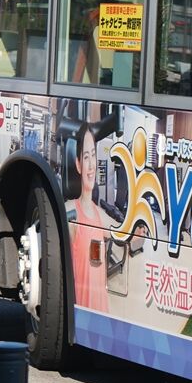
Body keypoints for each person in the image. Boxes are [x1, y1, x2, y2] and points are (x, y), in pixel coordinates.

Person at [69, 122, 111, 312]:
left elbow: (121, 232)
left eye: (93, 155)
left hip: (101, 312)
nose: (92, 164)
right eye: (86, 157)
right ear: (78, 164)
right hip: (82, 312)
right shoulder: (71, 210)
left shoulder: (99, 213)